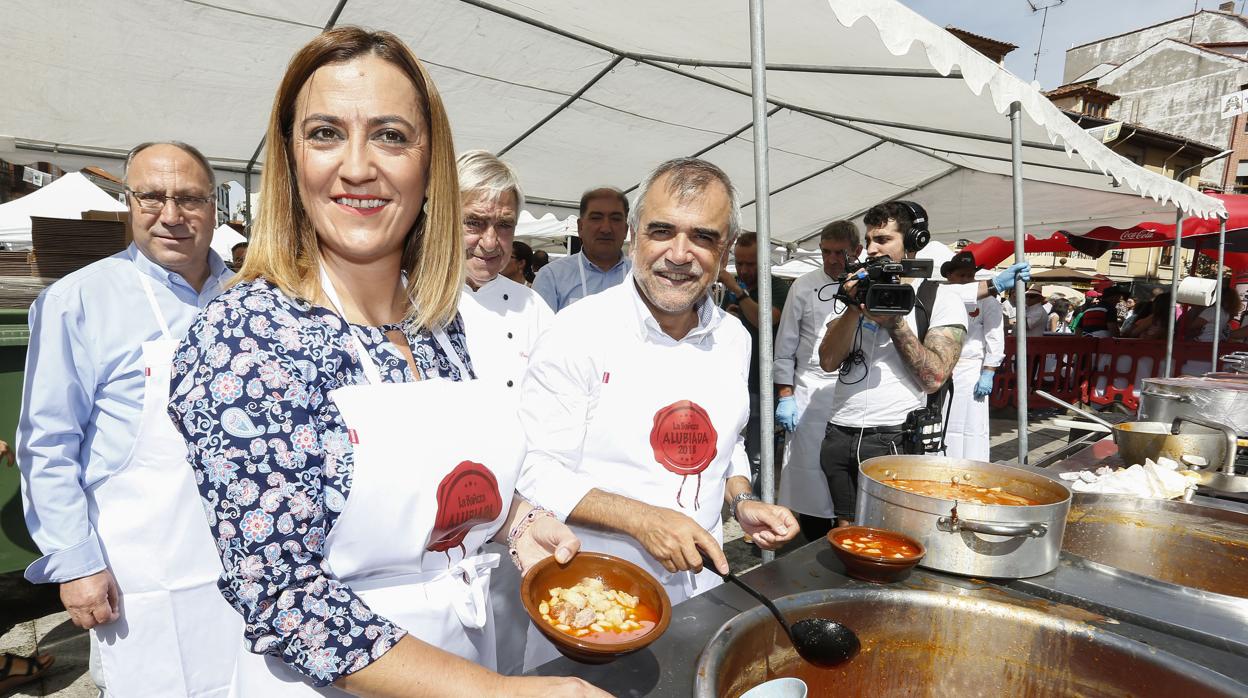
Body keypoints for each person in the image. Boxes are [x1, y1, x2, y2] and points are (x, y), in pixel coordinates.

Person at [167, 28, 603, 697]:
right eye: (325, 133)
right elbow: (283, 592)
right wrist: (496, 693)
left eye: (391, 135)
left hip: (471, 655)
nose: (357, 166)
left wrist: (520, 522)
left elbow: (446, 476)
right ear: (291, 158)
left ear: (431, 167)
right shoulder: (248, 334)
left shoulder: (437, 319)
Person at [516, 157, 799, 668]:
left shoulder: (734, 338)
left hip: (702, 596)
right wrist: (641, 520)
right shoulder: (577, 332)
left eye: (703, 237)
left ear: (726, 250)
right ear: (634, 239)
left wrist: (742, 501)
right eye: (662, 231)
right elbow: (532, 470)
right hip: (591, 602)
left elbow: (727, 441)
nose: (679, 254)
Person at [17, 140, 238, 696]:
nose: (172, 216)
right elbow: (47, 443)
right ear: (128, 202)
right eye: (152, 197)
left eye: (189, 199)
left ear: (216, 207)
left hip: (253, 562)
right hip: (143, 570)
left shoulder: (249, 294)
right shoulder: (78, 301)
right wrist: (74, 564)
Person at [453, 149, 555, 675]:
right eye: (474, 223)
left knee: (518, 658)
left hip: (525, 513)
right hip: (448, 521)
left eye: (504, 226)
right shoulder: (408, 297)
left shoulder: (532, 305)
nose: (490, 242)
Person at [817, 201, 968, 526]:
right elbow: (828, 361)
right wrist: (854, 307)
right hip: (840, 432)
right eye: (869, 240)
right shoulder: (856, 292)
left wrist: (895, 324)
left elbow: (934, 378)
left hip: (893, 438)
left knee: (890, 531)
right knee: (846, 530)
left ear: (914, 241)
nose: (871, 249)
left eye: (882, 240)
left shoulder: (941, 299)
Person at [773, 220, 861, 539]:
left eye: (840, 253)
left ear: (857, 252)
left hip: (853, 394)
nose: (832, 260)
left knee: (849, 484)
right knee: (810, 481)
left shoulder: (869, 287)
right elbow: (785, 348)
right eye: (826, 252)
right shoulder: (804, 285)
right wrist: (785, 395)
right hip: (809, 395)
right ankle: (814, 539)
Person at [719, 231, 789, 481]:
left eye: (750, 263)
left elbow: (768, 319)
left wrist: (737, 291)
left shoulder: (777, 287)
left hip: (763, 383)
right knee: (728, 445)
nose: (744, 269)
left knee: (758, 454)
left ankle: (757, 501)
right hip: (736, 380)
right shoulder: (736, 289)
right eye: (739, 263)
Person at [939, 252, 1004, 461]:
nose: (966, 280)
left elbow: (995, 337)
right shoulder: (940, 296)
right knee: (942, 418)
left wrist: (989, 371)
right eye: (961, 276)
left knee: (971, 421)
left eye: (970, 276)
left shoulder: (988, 302)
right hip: (942, 366)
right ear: (950, 276)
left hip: (970, 369)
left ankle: (972, 463)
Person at [532, 187, 630, 311]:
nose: (606, 229)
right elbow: (540, 329)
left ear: (626, 229)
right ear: (580, 227)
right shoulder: (551, 277)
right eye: (596, 218)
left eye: (615, 219)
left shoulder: (641, 277)